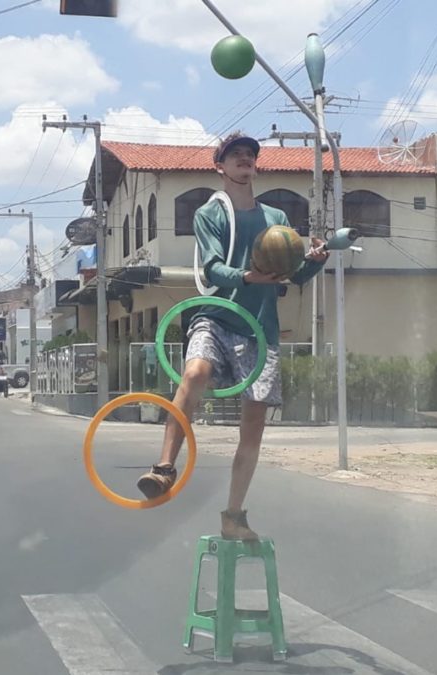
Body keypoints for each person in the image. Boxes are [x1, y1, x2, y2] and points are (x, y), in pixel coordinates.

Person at [136, 132, 330, 540]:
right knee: (193, 374)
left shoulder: (277, 220)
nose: (245, 159)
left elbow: (291, 275)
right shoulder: (211, 213)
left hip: (261, 327)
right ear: (219, 166)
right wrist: (248, 275)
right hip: (217, 315)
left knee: (253, 425)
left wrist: (315, 261)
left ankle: (234, 514)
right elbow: (211, 269)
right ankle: (165, 467)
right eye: (235, 155)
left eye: (250, 155)